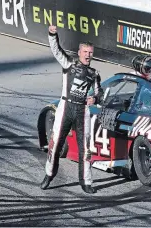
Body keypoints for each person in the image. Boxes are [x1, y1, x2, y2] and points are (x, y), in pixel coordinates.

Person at [40, 25, 103, 194]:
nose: (88, 55)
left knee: (86, 148)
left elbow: (100, 93)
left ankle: (86, 182)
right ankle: (49, 174)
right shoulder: (68, 64)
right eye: (85, 52)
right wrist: (52, 34)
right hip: (65, 106)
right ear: (79, 52)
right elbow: (56, 50)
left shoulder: (94, 73)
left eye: (90, 52)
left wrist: (94, 98)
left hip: (83, 111)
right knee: (55, 143)